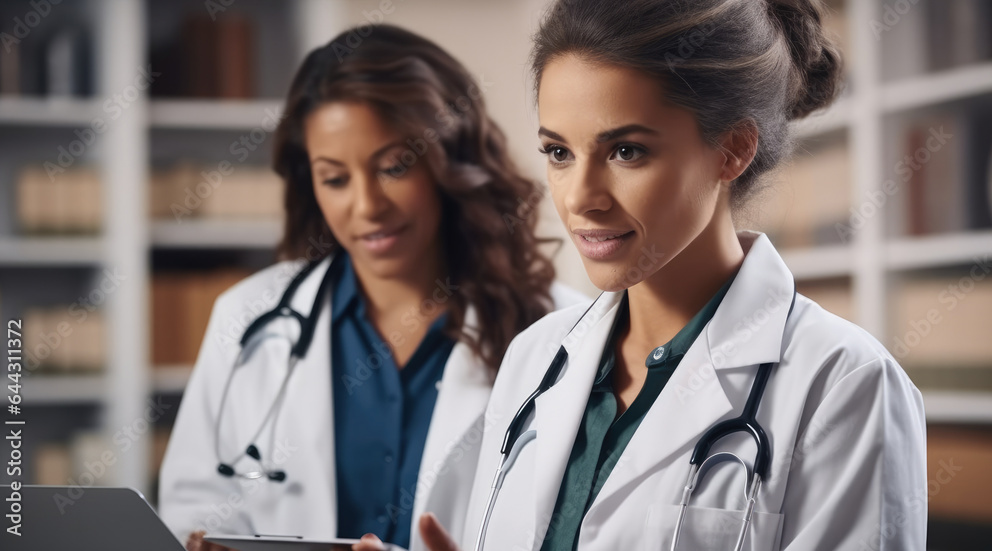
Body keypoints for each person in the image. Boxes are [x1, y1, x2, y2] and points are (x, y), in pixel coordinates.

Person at [371, 1, 928, 550]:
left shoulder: (846, 387)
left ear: (732, 150)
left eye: (626, 151)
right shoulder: (533, 359)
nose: (580, 198)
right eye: (559, 152)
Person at [158, 25, 586, 551]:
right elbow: (191, 508)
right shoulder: (248, 316)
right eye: (335, 178)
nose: (366, 207)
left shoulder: (565, 336)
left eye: (393, 167)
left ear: (450, 161)